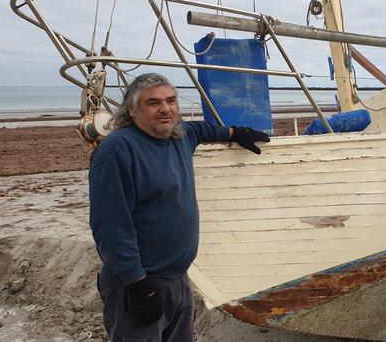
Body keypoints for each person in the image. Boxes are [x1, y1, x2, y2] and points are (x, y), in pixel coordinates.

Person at [89, 73, 269, 342]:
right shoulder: (118, 151)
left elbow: (200, 129)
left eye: (171, 100)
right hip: (139, 284)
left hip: (178, 279)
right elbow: (111, 228)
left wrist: (235, 133)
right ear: (133, 110)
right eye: (153, 103)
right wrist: (138, 285)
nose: (165, 108)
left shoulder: (179, 136)